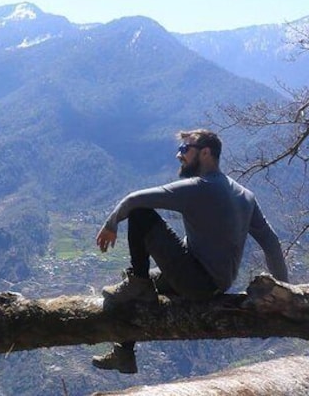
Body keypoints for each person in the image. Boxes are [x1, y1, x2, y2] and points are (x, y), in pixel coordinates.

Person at [92, 128, 288, 374]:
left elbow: (134, 200)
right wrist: (284, 291)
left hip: (197, 282)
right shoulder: (245, 195)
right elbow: (271, 244)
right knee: (128, 287)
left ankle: (139, 285)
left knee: (141, 216)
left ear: (205, 153)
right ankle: (124, 352)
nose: (178, 155)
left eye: (185, 149)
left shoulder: (200, 187)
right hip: (220, 283)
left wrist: (111, 223)